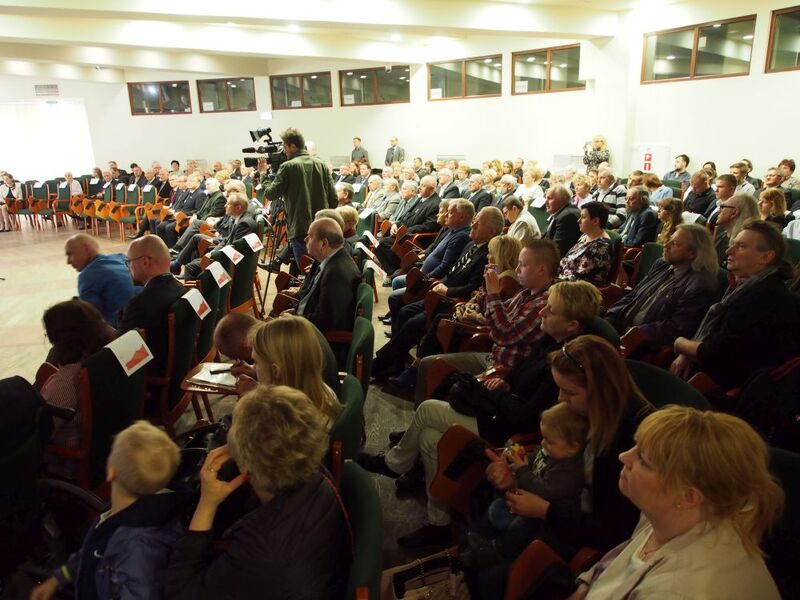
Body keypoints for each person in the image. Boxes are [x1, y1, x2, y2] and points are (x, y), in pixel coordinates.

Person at [360, 282, 607, 549]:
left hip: (505, 428)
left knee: (428, 410)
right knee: (430, 438)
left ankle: (395, 464)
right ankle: (438, 524)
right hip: (498, 411)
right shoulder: (548, 341)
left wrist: (499, 393)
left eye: (551, 309)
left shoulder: (564, 367)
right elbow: (517, 374)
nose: (542, 312)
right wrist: (504, 382)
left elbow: (525, 417)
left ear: (572, 325)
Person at [473, 335, 654, 599]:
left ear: (600, 390)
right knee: (484, 502)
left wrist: (544, 510)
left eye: (569, 392)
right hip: (562, 508)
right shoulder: (585, 413)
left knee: (494, 578)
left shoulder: (627, 442)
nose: (560, 398)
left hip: (581, 530)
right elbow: (552, 459)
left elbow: (614, 530)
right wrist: (513, 473)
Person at [569, 406, 782, 600]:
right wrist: (587, 583)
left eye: (643, 460)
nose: (624, 456)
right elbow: (627, 560)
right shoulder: (676, 515)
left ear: (688, 496)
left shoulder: (676, 592)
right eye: (636, 446)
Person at [165, 385, 351, 600]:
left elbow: (180, 593)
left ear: (245, 468)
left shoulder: (261, 550)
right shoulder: (318, 475)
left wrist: (207, 502)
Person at [31, 421, 185, 600]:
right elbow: (93, 550)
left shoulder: (138, 548)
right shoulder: (117, 512)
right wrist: (58, 578)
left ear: (111, 472)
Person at [410, 237, 557, 399]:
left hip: (503, 371)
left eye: (523, 265)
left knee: (431, 364)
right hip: (493, 356)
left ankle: (426, 404)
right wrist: (487, 290)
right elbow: (491, 313)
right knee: (428, 363)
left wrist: (493, 294)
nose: (517, 269)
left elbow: (503, 334)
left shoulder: (542, 304)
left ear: (541, 269)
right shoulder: (525, 292)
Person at [372, 207, 503, 379]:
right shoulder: (471, 244)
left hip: (450, 302)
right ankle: (395, 361)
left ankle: (383, 364)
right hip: (439, 293)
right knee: (404, 310)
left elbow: (471, 288)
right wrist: (440, 283)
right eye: (474, 220)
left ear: (491, 232)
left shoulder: (488, 255)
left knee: (411, 322)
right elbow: (452, 271)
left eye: (479, 223)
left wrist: (446, 289)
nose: (473, 224)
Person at [672, 221, 800, 389]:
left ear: (766, 257)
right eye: (733, 244)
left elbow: (715, 353)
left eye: (741, 246)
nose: (728, 251)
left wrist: (679, 344)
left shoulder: (765, 297)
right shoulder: (743, 286)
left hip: (721, 389)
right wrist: (687, 353)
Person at [467, 402, 588, 565]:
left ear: (573, 448)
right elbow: (535, 457)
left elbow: (544, 491)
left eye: (550, 441)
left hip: (546, 516)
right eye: (543, 437)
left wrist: (522, 471)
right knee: (497, 498)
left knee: (523, 526)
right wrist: (519, 460)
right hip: (529, 494)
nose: (543, 444)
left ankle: (498, 550)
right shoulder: (554, 450)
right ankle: (482, 535)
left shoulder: (569, 471)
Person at [604, 224, 720, 347]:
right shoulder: (662, 264)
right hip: (621, 326)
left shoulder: (701, 284)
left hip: (641, 343)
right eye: (670, 239)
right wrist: (610, 316)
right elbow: (634, 295)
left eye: (675, 243)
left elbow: (676, 328)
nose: (666, 245)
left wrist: (633, 334)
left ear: (692, 253)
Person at [39, 300, 115, 470]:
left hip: (69, 465)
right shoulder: (110, 356)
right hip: (111, 451)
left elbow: (38, 434)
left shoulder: (67, 381)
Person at [261, 128, 338, 270]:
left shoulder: (288, 166)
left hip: (299, 228)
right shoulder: (321, 164)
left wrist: (262, 175)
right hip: (322, 226)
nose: (284, 152)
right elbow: (334, 200)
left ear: (292, 146)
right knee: (320, 270)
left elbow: (270, 194)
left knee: (306, 271)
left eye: (285, 147)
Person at [293, 217, 360, 365]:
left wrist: (293, 320)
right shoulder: (332, 261)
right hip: (309, 326)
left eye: (310, 236)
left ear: (323, 243)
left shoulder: (336, 273)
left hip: (320, 344)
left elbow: (324, 322)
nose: (305, 239)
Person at [118, 236, 186, 376]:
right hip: (180, 370)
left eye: (129, 262)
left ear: (145, 262)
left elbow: (122, 355)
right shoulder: (182, 289)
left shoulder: (139, 305)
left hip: (151, 379)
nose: (128, 268)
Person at [64, 233, 140, 326]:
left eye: (70, 254)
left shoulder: (87, 277)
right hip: (146, 315)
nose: (68, 261)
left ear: (86, 249)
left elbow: (91, 320)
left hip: (123, 327)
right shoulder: (120, 257)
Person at [558, 201, 614, 285]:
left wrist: (553, 280)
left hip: (576, 288)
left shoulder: (601, 247)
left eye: (583, 217)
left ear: (595, 221)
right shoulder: (585, 236)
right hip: (562, 279)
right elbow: (567, 260)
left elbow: (579, 277)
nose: (578, 221)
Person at [712, 192, 759, 266]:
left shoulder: (746, 243)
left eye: (723, 207)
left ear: (734, 213)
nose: (719, 210)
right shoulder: (721, 231)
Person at [545, 184, 582, 257]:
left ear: (562, 200)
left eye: (549, 198)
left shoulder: (568, 216)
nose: (546, 202)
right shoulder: (560, 212)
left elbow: (557, 250)